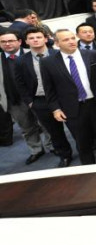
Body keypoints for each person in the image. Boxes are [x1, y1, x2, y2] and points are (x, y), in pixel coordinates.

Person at [41, 29, 96, 164]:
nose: (71, 41)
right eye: (66, 40)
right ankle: (90, 170)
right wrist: (55, 109)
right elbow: (49, 89)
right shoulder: (48, 62)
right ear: (57, 43)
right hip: (72, 109)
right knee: (82, 143)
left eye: (72, 38)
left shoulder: (94, 55)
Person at [13, 28, 69, 166]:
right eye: (31, 38)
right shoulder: (21, 61)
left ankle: (87, 147)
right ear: (26, 41)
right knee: (54, 132)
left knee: (76, 126)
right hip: (40, 101)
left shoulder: (59, 54)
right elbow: (20, 84)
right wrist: (30, 102)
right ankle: (65, 155)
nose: (35, 40)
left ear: (45, 39)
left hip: (64, 97)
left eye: (38, 37)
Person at [0, 30, 50, 163]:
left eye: (10, 41)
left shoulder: (32, 55)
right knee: (27, 128)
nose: (7, 44)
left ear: (20, 42)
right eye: (3, 42)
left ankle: (52, 146)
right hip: (14, 102)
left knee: (46, 124)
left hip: (36, 98)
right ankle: (36, 150)